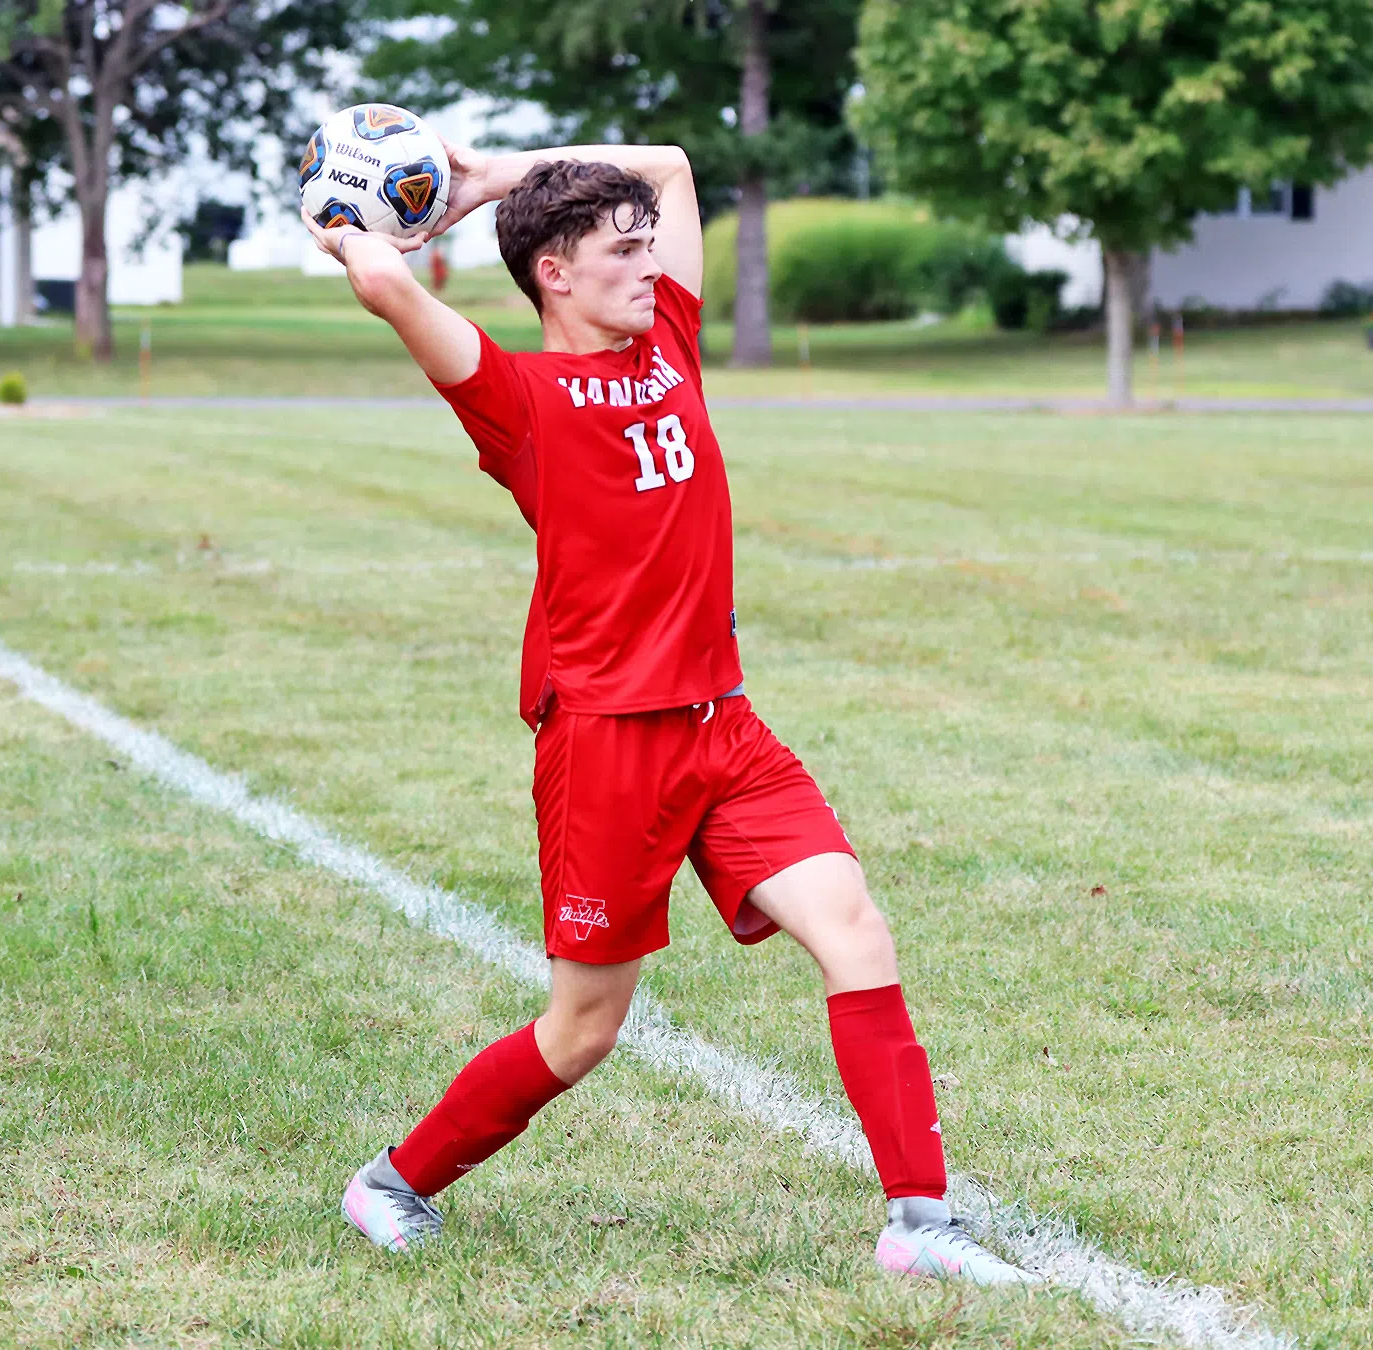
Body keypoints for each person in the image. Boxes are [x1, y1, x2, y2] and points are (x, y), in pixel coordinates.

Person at [312, 133, 1027, 1284]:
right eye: (623, 250)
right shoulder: (518, 400)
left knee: (855, 931)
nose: (653, 264)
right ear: (554, 272)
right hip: (606, 746)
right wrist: (351, 221)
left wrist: (491, 172)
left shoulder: (672, 344)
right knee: (584, 1030)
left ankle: (920, 1227)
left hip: (724, 729)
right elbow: (389, 285)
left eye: (651, 248)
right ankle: (391, 1184)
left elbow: (676, 164)